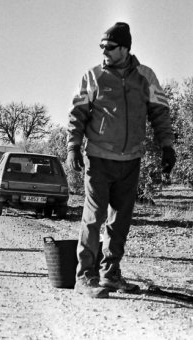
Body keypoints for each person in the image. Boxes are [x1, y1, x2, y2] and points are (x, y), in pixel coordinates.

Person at [66, 22, 176, 298]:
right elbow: (77, 113)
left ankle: (110, 274)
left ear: (125, 48)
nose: (104, 52)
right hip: (99, 157)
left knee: (121, 220)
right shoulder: (92, 77)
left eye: (110, 47)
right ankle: (85, 276)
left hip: (131, 159)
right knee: (94, 217)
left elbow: (160, 113)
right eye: (101, 46)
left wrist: (167, 146)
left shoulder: (146, 76)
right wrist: (73, 147)